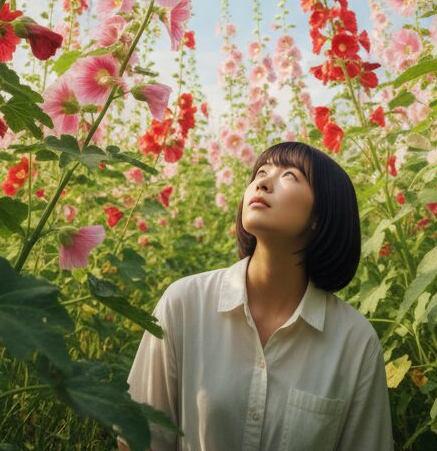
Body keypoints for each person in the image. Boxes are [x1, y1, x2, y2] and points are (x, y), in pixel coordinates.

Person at [121, 140, 394, 450]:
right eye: (261, 172)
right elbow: (139, 438)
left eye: (290, 176)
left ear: (321, 216)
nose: (262, 182)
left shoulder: (355, 342)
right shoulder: (184, 304)